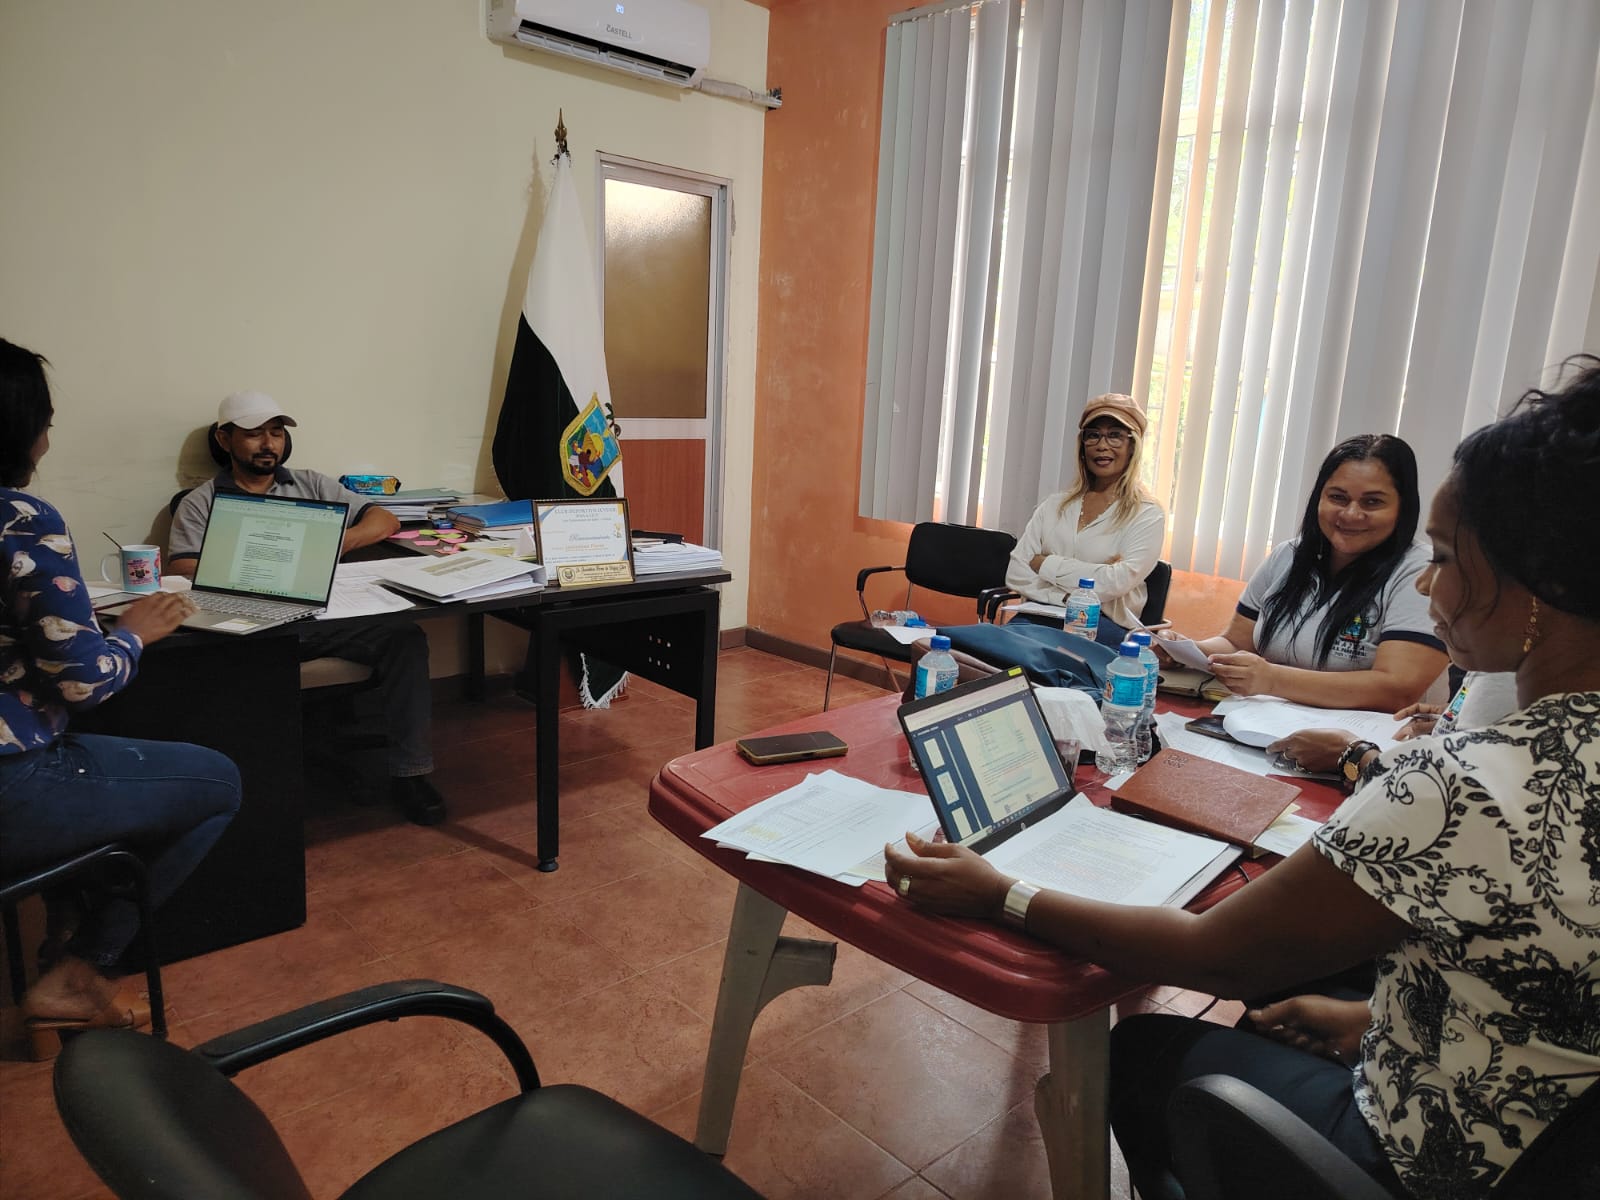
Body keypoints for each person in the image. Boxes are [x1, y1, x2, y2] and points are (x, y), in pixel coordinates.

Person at [884, 357, 1600, 1199]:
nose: (1428, 582)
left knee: (1140, 1050)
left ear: (1540, 583)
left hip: (1422, 1160)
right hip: (1535, 1141)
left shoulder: (1466, 784)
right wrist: (1375, 1017)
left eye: (1444, 557)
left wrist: (1000, 894)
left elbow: (1216, 956)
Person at [0, 338, 242, 1060]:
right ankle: (79, 975)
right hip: (15, 781)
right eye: (45, 422)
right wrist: (134, 633)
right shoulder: (22, 519)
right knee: (217, 783)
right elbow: (83, 682)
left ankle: (63, 929)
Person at [167, 391, 445, 825]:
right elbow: (181, 565)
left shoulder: (312, 484)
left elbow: (385, 520)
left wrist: (334, 543)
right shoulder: (201, 500)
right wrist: (259, 562)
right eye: (254, 434)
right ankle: (243, 779)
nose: (268, 444)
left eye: (276, 433)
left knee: (404, 636)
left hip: (320, 620)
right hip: (250, 622)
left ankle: (410, 775)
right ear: (224, 439)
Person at [1159, 434, 1447, 711]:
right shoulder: (1288, 555)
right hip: (1259, 722)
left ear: (1403, 507)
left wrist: (1273, 680)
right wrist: (1186, 650)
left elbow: (1397, 690)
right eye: (1338, 497)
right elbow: (1236, 643)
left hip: (1354, 738)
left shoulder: (1421, 572)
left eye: (1372, 502)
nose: (1351, 514)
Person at [1005, 393, 1166, 646]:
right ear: (1082, 446)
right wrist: (1072, 597)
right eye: (1093, 435)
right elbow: (1016, 572)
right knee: (992, 657)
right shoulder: (1054, 505)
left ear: (1132, 446)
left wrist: (1045, 564)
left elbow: (1116, 581)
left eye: (1115, 435)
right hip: (1037, 617)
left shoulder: (1147, 514)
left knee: (1040, 662)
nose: (1102, 445)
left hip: (1102, 627)